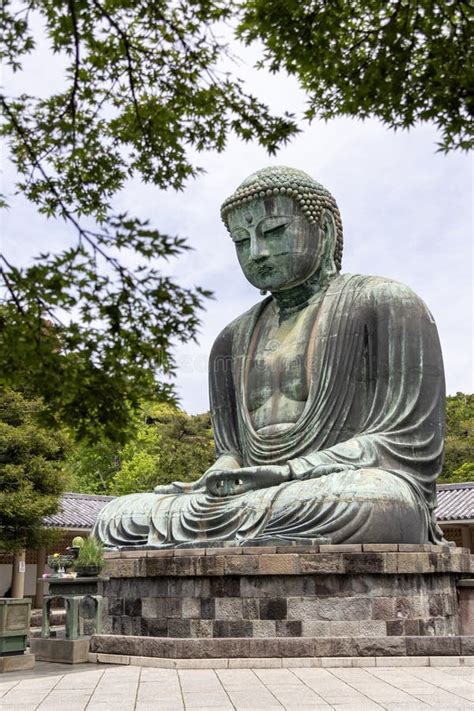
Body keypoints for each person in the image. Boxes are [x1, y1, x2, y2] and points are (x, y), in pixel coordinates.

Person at [93, 166, 446, 548]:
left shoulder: (385, 302)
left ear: (323, 231)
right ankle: (240, 533)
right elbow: (232, 450)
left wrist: (289, 471)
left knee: (375, 502)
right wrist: (220, 475)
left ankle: (240, 531)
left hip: (339, 485)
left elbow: (407, 443)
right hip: (258, 496)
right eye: (242, 241)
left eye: (274, 232)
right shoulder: (230, 340)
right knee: (117, 517)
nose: (257, 253)